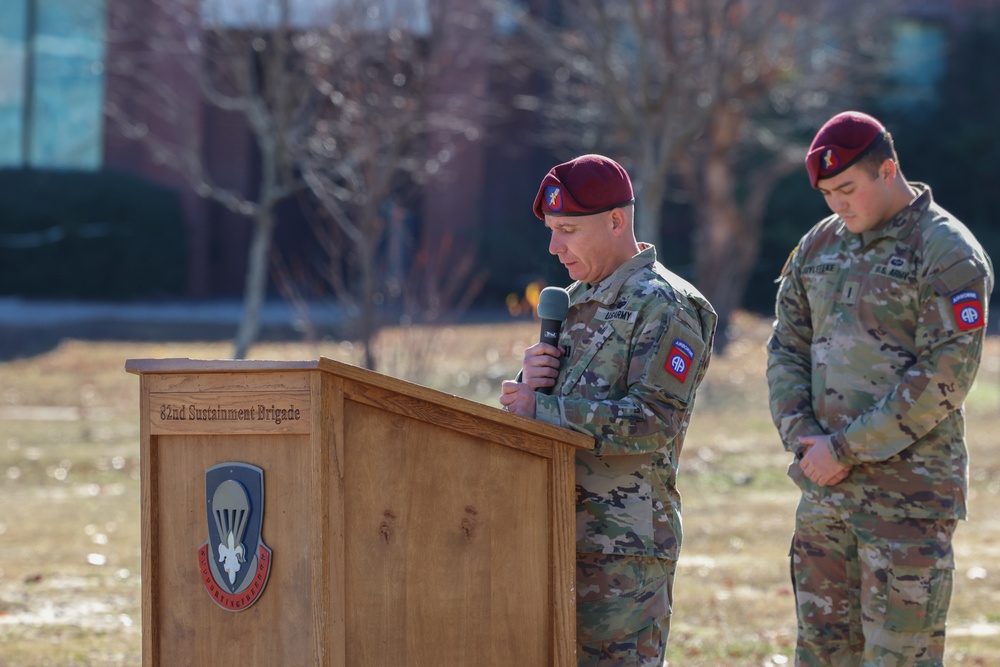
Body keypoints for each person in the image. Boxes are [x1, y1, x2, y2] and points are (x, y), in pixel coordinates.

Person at [767, 110, 994, 665]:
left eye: (847, 188)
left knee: (899, 657)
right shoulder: (819, 245)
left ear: (888, 169)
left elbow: (944, 376)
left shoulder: (946, 251)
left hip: (906, 503)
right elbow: (786, 348)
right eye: (826, 193)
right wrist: (805, 440)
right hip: (825, 496)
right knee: (821, 654)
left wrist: (842, 449)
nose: (838, 205)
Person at [499, 154, 717, 666]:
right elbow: (542, 415)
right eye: (551, 231)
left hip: (622, 550)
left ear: (616, 221)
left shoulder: (666, 304)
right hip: (550, 536)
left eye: (568, 230)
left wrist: (546, 410)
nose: (555, 247)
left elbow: (652, 423)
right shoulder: (574, 302)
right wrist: (527, 392)